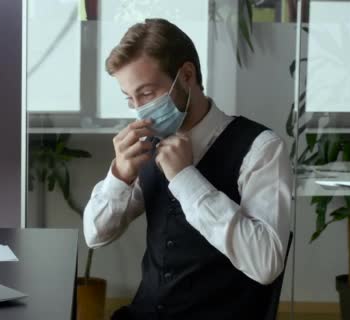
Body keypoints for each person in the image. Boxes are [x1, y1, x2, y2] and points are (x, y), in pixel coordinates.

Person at [83, 18, 292, 320]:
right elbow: (95, 234)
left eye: (147, 93)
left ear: (187, 75)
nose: (140, 110)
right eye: (130, 99)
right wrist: (120, 175)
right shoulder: (147, 145)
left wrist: (185, 179)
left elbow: (266, 263)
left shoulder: (261, 149)